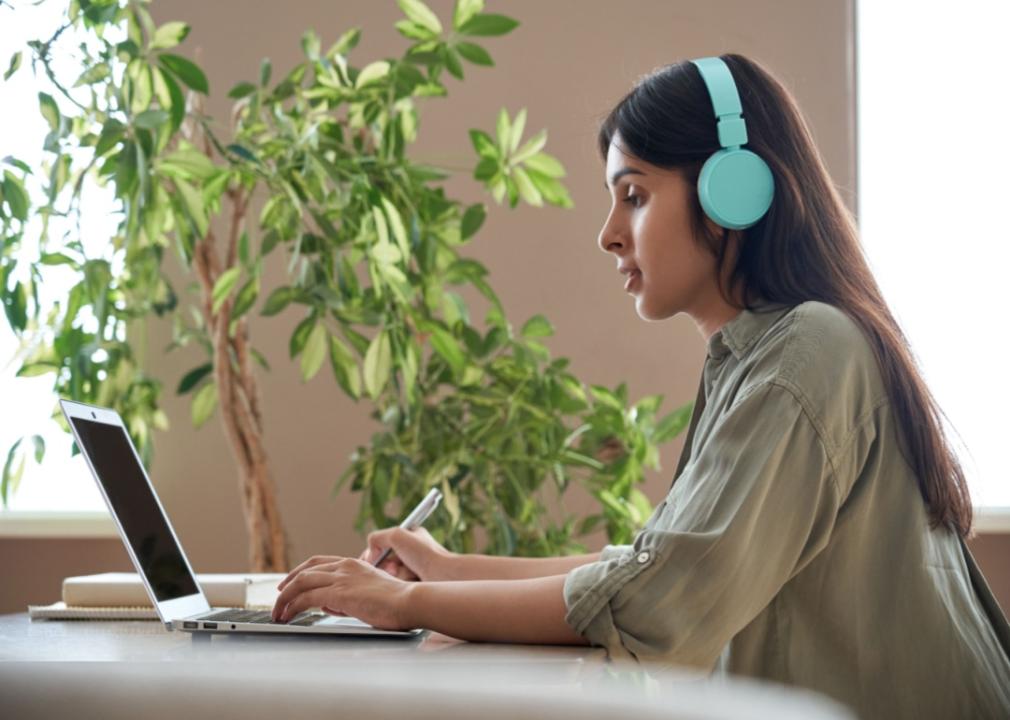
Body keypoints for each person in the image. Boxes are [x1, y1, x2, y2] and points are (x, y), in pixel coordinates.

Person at [271, 53, 1010, 718]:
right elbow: (657, 563)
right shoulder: (759, 353)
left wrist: (406, 604)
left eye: (634, 194)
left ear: (734, 192)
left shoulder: (808, 353)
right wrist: (448, 570)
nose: (609, 233)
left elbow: (658, 599)